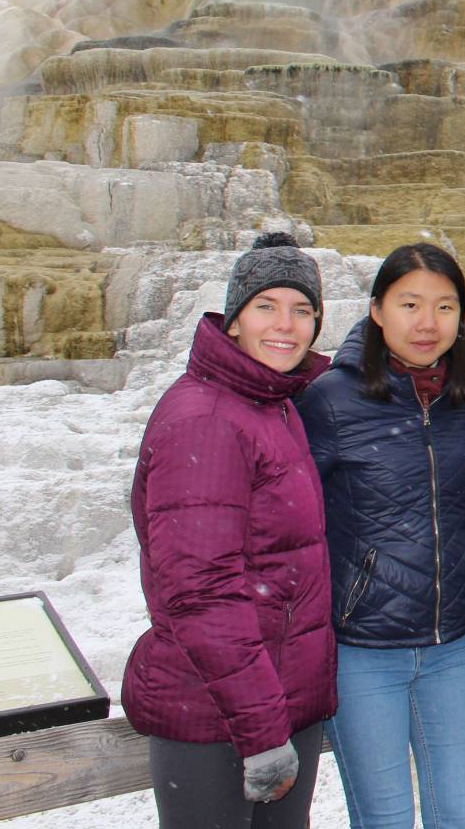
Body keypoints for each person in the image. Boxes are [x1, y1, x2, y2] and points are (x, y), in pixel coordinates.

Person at [122, 231, 334, 829]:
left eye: (302, 311)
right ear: (233, 319)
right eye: (266, 306)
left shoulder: (269, 403)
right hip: (217, 716)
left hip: (269, 700)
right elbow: (200, 591)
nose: (286, 325)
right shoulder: (209, 420)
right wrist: (264, 729)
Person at [296, 243, 465, 828]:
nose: (428, 324)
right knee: (384, 821)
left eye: (445, 307)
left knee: (459, 815)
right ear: (377, 310)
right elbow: (294, 522)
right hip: (362, 650)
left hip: (452, 644)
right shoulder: (330, 399)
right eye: (410, 304)